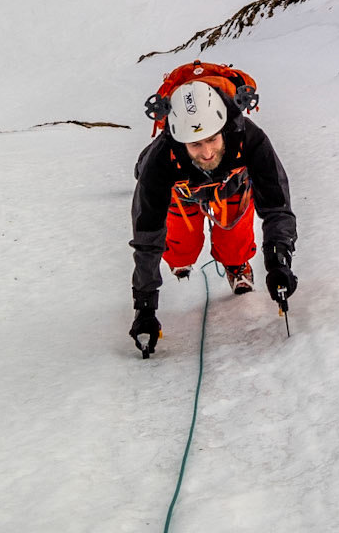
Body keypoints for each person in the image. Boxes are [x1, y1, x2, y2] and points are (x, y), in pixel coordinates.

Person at [128, 76, 298, 356]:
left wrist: (279, 261)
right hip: (181, 195)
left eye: (211, 139)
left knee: (235, 247)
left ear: (224, 128)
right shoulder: (161, 158)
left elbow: (276, 207)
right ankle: (181, 259)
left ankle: (237, 264)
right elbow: (146, 236)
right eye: (195, 144)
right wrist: (144, 306)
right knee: (180, 252)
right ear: (179, 140)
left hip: (231, 188)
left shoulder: (250, 138)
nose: (206, 152)